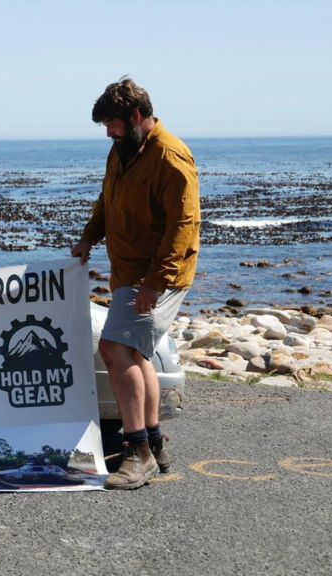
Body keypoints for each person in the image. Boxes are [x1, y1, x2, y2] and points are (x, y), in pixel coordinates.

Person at [70, 78, 200, 490]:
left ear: (137, 116)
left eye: (113, 124)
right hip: (129, 274)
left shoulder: (170, 156)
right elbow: (108, 198)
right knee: (135, 354)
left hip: (156, 277)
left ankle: (137, 454)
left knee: (113, 348)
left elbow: (184, 225)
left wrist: (154, 285)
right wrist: (90, 236)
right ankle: (154, 442)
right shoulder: (123, 150)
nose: (109, 132)